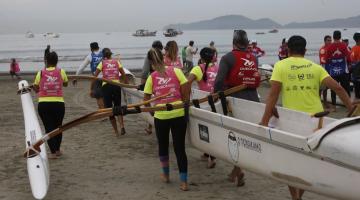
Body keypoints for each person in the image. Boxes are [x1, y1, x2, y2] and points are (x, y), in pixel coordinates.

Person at [259, 35, 353, 200]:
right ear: (305, 50)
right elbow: (338, 88)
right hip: (316, 121)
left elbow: (273, 95)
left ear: (287, 50)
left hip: (292, 120)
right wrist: (350, 109)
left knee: (289, 161)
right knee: (308, 161)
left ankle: (295, 197)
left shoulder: (281, 65)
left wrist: (264, 121)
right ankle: (298, 197)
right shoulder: (315, 67)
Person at [214, 29, 261, 187]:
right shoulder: (254, 57)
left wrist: (215, 95)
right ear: (247, 43)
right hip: (254, 101)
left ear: (233, 43)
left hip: (236, 101)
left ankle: (238, 170)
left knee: (233, 137)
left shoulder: (228, 57)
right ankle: (237, 171)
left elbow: (219, 81)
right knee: (244, 137)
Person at [143, 48, 190, 191]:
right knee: (179, 148)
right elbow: (186, 89)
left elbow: (146, 100)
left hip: (161, 116)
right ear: (163, 57)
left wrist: (152, 111)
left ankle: (166, 176)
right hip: (178, 114)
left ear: (151, 62)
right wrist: (183, 102)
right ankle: (184, 183)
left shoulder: (152, 77)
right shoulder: (176, 71)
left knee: (163, 146)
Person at [33, 51, 68, 159]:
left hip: (44, 104)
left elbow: (36, 87)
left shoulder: (41, 73)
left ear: (46, 61)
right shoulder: (61, 71)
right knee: (58, 127)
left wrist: (38, 88)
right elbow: (66, 84)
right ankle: (57, 150)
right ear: (57, 61)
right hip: (58, 104)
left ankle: (53, 153)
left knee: (49, 128)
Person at [188, 47, 219, 168]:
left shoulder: (198, 68)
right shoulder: (219, 67)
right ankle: (207, 154)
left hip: (205, 104)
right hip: (219, 103)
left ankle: (212, 157)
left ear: (200, 58)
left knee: (206, 130)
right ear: (213, 57)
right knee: (214, 129)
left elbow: (186, 84)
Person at [93, 48, 128, 136]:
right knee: (118, 106)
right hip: (116, 86)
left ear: (103, 56)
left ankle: (116, 132)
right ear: (110, 55)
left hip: (106, 87)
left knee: (109, 109)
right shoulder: (116, 62)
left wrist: (91, 87)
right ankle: (122, 126)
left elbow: (95, 76)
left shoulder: (102, 63)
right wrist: (125, 82)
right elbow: (123, 74)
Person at [140, 40, 163, 135]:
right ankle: (150, 127)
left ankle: (152, 126)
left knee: (153, 103)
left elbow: (144, 72)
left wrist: (142, 86)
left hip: (154, 81)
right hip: (166, 81)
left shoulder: (149, 55)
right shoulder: (163, 55)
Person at [73, 42, 105, 109]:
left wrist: (76, 77)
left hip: (97, 79)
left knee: (99, 97)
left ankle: (103, 113)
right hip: (107, 78)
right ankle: (106, 112)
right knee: (106, 97)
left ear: (91, 49)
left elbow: (82, 67)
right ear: (98, 47)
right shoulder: (104, 54)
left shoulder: (90, 56)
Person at [326, 30, 351, 110]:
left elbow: (327, 59)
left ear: (333, 37)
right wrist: (349, 64)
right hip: (343, 70)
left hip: (333, 71)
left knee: (334, 88)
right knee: (346, 88)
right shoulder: (344, 46)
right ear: (340, 37)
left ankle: (333, 107)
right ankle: (348, 106)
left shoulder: (329, 46)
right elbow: (348, 58)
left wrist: (328, 69)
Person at [319, 35, 332, 108]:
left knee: (326, 88)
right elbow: (323, 60)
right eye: (328, 40)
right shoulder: (323, 49)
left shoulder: (331, 48)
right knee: (322, 88)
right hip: (323, 70)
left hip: (329, 69)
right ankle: (320, 101)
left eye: (330, 40)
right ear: (325, 41)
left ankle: (325, 102)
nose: (330, 42)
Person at [351, 31, 360, 100]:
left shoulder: (353, 48)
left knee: (357, 93)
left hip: (354, 74)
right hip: (358, 72)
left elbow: (352, 61)